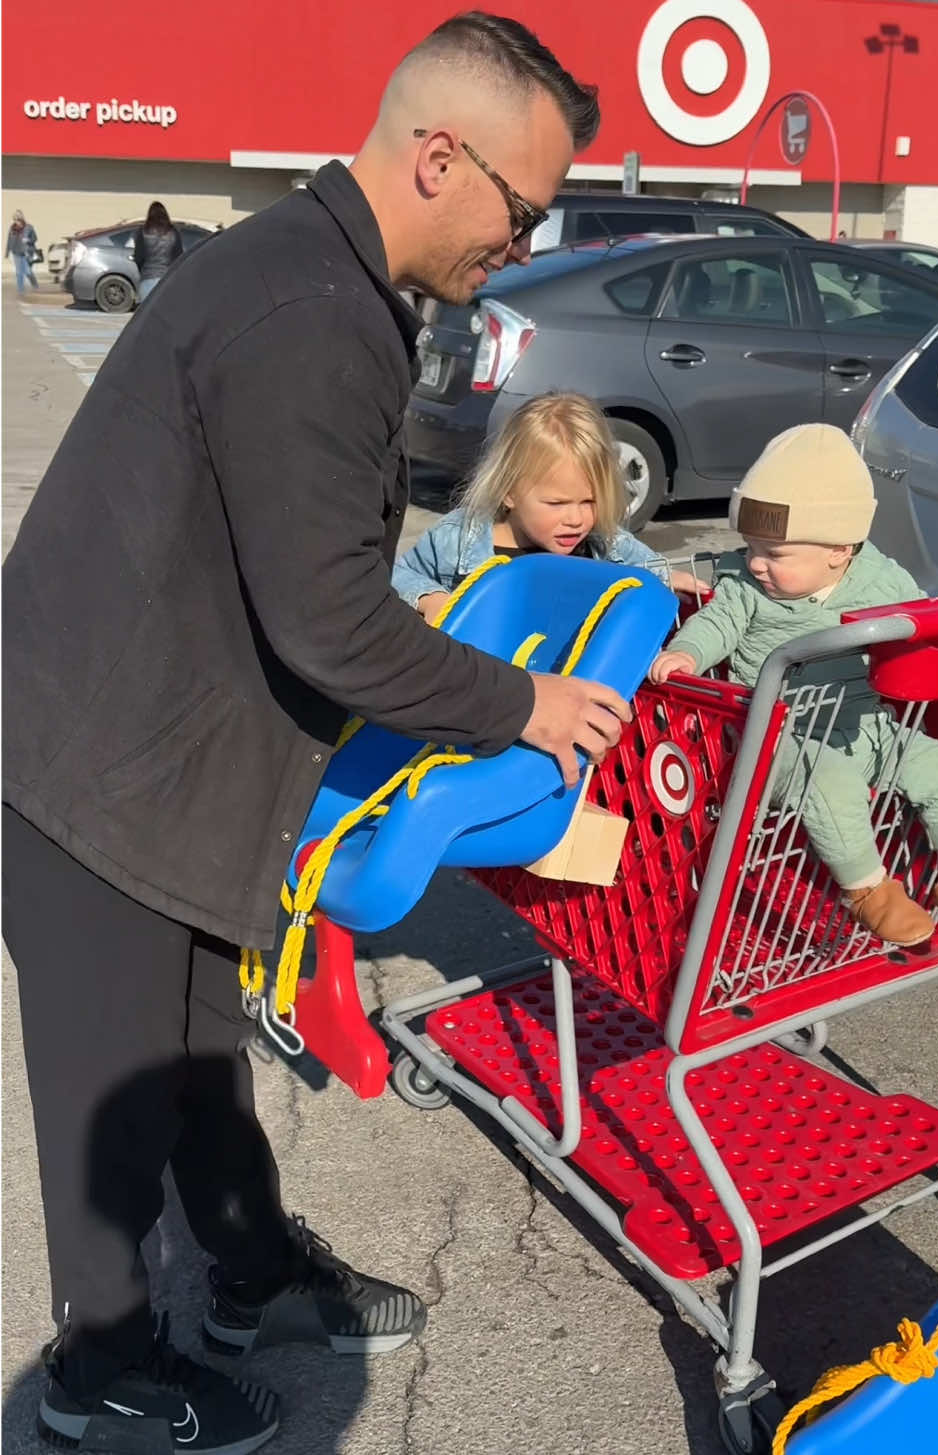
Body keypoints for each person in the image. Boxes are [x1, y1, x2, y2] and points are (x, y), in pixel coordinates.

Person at [2, 15, 634, 1454]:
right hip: (90, 761)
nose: (522, 246)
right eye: (520, 208)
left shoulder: (320, 275)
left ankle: (247, 1272)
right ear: (436, 155)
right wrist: (521, 701)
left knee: (198, 1048)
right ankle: (99, 1365)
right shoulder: (314, 310)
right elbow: (333, 620)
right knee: (116, 1089)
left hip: (160, 747)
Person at [650, 422, 938, 947]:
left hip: (864, 724)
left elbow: (924, 620)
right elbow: (717, 621)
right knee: (830, 783)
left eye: (776, 554)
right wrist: (687, 653)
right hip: (775, 735)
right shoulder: (745, 586)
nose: (757, 564)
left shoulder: (881, 580)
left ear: (840, 549)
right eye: (751, 548)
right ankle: (867, 891)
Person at [393, 392, 699, 618]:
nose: (576, 519)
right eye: (557, 503)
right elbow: (393, 574)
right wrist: (429, 597)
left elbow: (650, 568)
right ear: (509, 492)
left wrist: (668, 577)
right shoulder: (458, 541)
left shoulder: (604, 542)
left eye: (589, 501)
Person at [133, 201, 182, 302]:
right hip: (167, 280)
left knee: (147, 315)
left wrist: (143, 271)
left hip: (148, 278)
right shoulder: (173, 232)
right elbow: (179, 256)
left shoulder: (143, 231)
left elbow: (138, 257)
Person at [6, 209, 40, 293]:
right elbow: (9, 240)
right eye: (15, 219)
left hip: (27, 253)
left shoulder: (29, 227)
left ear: (22, 219)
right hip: (16, 252)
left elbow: (35, 238)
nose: (16, 221)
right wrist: (7, 252)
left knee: (28, 272)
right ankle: (20, 291)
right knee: (19, 273)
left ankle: (35, 285)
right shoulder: (12, 228)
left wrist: (28, 240)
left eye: (18, 219)